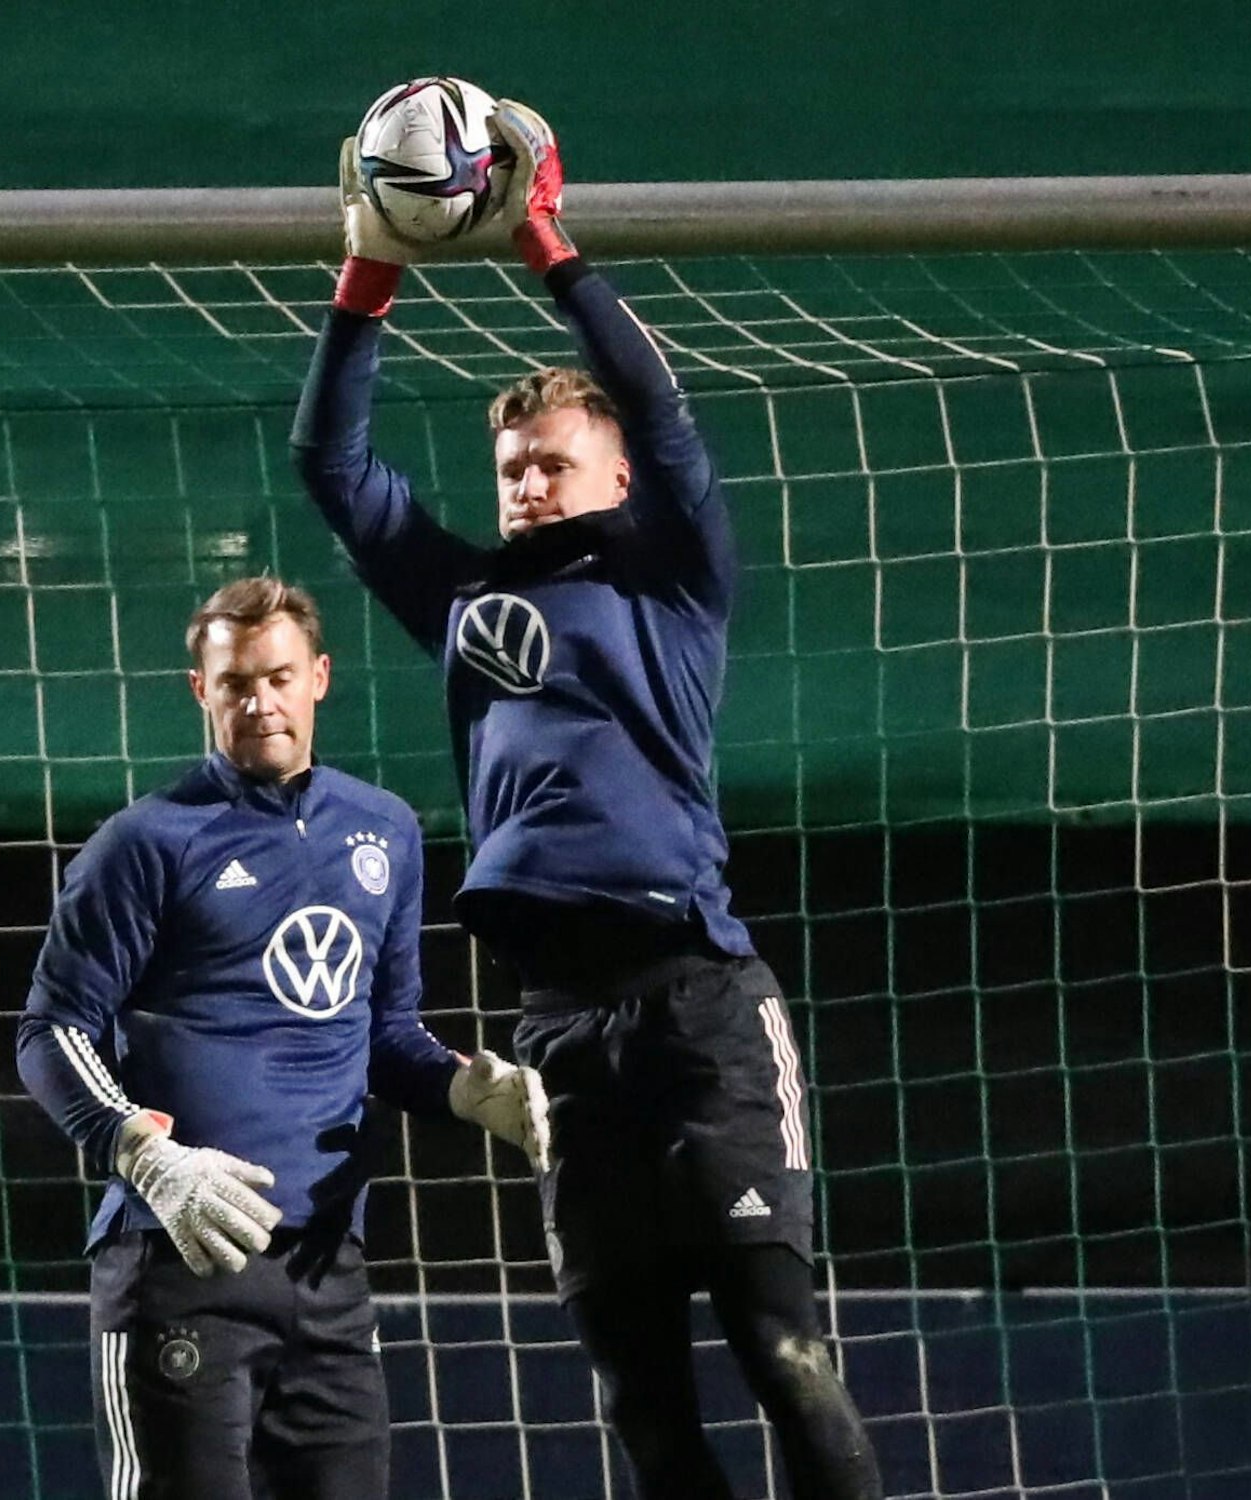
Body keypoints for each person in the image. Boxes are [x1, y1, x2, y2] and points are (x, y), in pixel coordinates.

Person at [292, 103, 884, 1500]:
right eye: (511, 471)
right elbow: (332, 466)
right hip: (559, 1030)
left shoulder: (672, 576)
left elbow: (662, 408)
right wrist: (370, 269)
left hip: (698, 1006)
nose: (527, 485)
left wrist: (548, 246)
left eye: (552, 462)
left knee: (784, 1353)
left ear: (615, 476)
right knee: (640, 1403)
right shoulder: (462, 597)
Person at [15, 575, 547, 1500]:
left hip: (328, 1272)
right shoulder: (145, 843)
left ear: (320, 678)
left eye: (278, 677)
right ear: (202, 691)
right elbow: (48, 1032)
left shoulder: (386, 830)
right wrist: (146, 1156)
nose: (259, 702)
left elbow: (388, 1034)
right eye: (235, 684)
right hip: (181, 1259)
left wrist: (464, 1090)